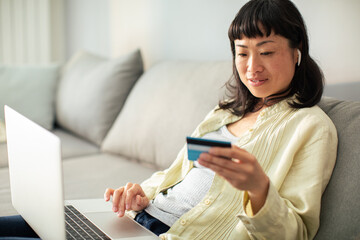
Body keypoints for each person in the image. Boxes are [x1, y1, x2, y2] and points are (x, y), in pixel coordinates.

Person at [0, 0, 337, 239]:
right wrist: (140, 193)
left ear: (297, 52)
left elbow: (298, 231)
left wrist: (259, 189)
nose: (252, 67)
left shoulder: (310, 127)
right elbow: (175, 175)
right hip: (136, 221)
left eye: (266, 51)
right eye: (242, 52)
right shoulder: (222, 115)